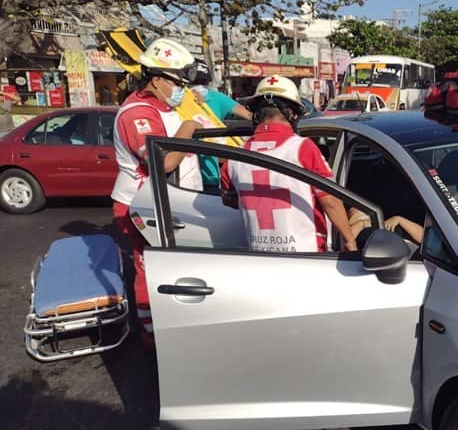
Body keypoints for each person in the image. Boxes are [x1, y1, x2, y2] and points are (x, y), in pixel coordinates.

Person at [110, 37, 203, 348]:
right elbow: (162, 163)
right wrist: (189, 129)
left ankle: (173, 322)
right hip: (142, 205)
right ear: (158, 78)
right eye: (177, 82)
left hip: (169, 203)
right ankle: (153, 338)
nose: (182, 89)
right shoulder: (135, 113)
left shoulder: (162, 107)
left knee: (176, 267)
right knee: (148, 270)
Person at [220, 75, 357, 252]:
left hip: (258, 257)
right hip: (307, 258)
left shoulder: (235, 156)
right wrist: (350, 241)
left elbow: (230, 200)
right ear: (292, 113)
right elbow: (330, 201)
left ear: (256, 113)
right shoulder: (303, 148)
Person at [190, 60, 254, 188]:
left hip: (211, 174)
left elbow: (248, 115)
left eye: (203, 83)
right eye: (195, 83)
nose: (199, 87)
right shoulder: (179, 99)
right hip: (186, 176)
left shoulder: (215, 97)